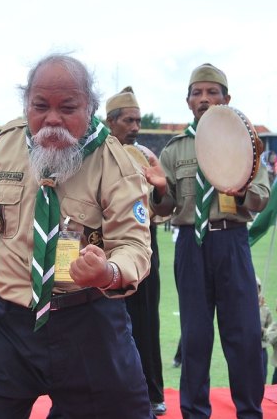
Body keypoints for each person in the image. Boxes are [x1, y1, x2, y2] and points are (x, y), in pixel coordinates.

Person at [0, 54, 153, 418]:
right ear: (26, 104)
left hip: (89, 326)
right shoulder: (9, 142)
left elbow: (134, 246)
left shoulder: (118, 165)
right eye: (40, 106)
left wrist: (108, 272)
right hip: (10, 325)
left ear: (90, 107)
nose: (52, 119)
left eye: (67, 107)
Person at [147, 63, 269, 418]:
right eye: (197, 93)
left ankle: (250, 411)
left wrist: (243, 187)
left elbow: (261, 197)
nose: (204, 99)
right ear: (187, 101)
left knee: (244, 336)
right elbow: (167, 206)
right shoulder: (174, 149)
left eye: (212, 92)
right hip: (191, 244)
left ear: (226, 98)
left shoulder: (247, 144)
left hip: (232, 242)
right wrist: (158, 189)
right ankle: (195, 412)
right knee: (195, 338)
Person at [104, 86, 166, 416]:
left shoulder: (145, 156)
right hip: (104, 247)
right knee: (103, 323)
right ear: (110, 121)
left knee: (146, 322)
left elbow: (165, 207)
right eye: (129, 120)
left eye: (139, 120)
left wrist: (162, 187)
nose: (136, 127)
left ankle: (152, 392)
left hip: (143, 244)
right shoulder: (96, 154)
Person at [258, 277, 273, 384]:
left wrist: (263, 330)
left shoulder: (265, 310)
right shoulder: (239, 308)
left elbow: (271, 328)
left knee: (261, 379)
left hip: (261, 348)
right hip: (245, 349)